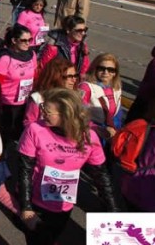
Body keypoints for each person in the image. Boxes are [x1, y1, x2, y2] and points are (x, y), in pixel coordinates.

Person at [18, 88, 118, 245]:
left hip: (64, 204)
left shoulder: (88, 137)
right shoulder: (35, 130)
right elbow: (25, 169)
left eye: (48, 111)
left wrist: (112, 209)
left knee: (53, 237)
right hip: (36, 202)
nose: (42, 113)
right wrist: (26, 206)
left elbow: (101, 176)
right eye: (43, 108)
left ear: (66, 115)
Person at [0, 24, 38, 145]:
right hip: (8, 103)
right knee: (5, 134)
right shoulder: (5, 59)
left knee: (20, 133)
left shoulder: (31, 55)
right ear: (14, 40)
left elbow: (35, 74)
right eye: (24, 40)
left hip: (25, 101)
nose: (28, 43)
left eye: (30, 40)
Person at [22, 57, 78, 127]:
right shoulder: (38, 98)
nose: (74, 80)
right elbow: (29, 124)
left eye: (75, 76)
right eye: (69, 76)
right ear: (56, 76)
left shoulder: (74, 96)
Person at [77, 54, 123, 141]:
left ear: (115, 73)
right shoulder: (85, 87)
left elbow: (118, 113)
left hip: (111, 133)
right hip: (91, 133)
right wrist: (96, 128)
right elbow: (77, 114)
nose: (106, 72)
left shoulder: (116, 87)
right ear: (95, 69)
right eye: (101, 68)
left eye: (110, 70)